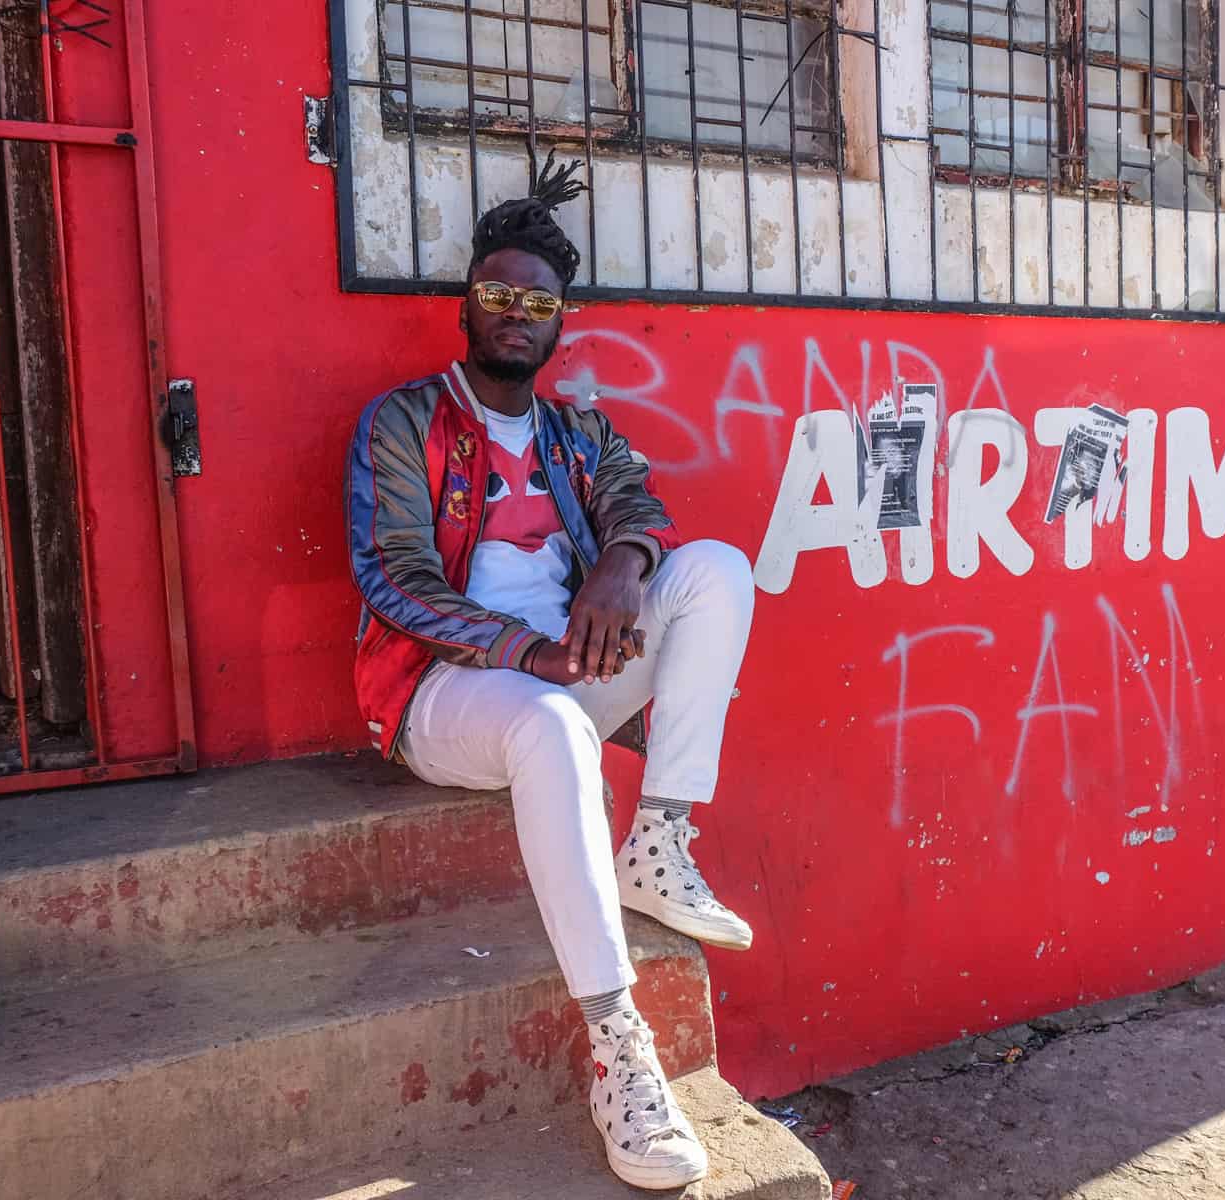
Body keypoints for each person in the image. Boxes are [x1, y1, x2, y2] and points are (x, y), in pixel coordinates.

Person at [345, 154, 754, 1190]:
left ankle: (658, 838)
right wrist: (528, 651)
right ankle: (620, 1049)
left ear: (561, 317)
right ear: (468, 306)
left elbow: (638, 504)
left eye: (538, 299)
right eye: (498, 295)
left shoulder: (578, 432)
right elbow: (392, 577)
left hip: (567, 676)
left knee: (711, 568)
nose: (516, 314)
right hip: (448, 693)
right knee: (554, 724)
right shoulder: (403, 424)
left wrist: (621, 568)